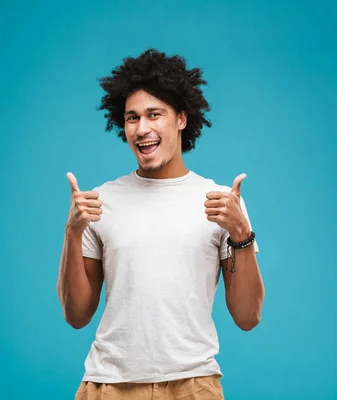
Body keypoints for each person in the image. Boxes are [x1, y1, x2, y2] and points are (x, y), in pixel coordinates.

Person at [57, 49, 265, 400]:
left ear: (182, 119)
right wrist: (72, 232)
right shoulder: (100, 201)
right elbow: (77, 315)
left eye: (155, 115)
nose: (142, 129)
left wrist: (241, 234)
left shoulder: (220, 201)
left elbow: (248, 317)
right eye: (132, 118)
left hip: (193, 386)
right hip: (108, 385)